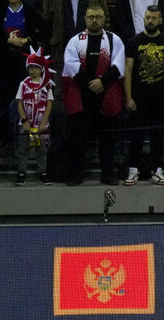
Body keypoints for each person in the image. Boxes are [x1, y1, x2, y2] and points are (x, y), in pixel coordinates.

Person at [61, 4, 125, 185]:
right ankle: (76, 174)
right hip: (82, 97)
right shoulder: (75, 41)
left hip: (106, 96)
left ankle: (108, 174)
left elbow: (118, 65)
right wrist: (92, 83)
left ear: (104, 18)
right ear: (85, 19)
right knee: (78, 139)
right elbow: (71, 65)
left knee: (108, 139)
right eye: (91, 17)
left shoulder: (114, 40)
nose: (94, 20)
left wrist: (102, 82)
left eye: (98, 17)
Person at [122, 5, 164, 185]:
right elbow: (128, 71)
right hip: (139, 98)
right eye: (147, 17)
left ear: (160, 20)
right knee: (136, 135)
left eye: (154, 18)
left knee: (158, 135)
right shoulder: (134, 41)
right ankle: (133, 169)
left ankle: (158, 169)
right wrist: (129, 97)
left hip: (160, 98)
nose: (150, 21)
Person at [13, 47, 54, 185]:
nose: (32, 70)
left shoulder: (47, 85)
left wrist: (43, 122)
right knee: (23, 149)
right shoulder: (23, 84)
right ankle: (21, 173)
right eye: (30, 67)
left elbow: (49, 104)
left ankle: (42, 172)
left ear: (41, 69)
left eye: (35, 67)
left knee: (42, 150)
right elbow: (20, 103)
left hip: (41, 124)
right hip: (26, 124)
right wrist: (24, 120)